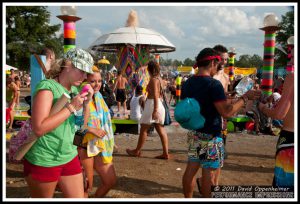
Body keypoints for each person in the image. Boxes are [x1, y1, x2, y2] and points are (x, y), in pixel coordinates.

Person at [181, 47, 261, 198]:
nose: (217, 69)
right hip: (211, 135)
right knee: (208, 176)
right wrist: (245, 98)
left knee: (190, 171)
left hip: (195, 133)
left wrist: (225, 96)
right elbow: (226, 112)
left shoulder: (188, 83)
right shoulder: (213, 84)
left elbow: (196, 103)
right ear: (212, 62)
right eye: (217, 65)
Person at [23, 48, 94, 198]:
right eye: (81, 70)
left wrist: (87, 104)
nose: (84, 76)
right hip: (45, 158)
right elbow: (39, 128)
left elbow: (82, 127)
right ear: (67, 65)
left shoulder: (75, 90)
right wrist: (71, 107)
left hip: (69, 156)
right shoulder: (48, 88)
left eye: (86, 73)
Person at [77, 66, 116, 198]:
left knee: (110, 180)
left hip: (100, 144)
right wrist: (91, 129)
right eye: (93, 81)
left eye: (99, 81)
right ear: (85, 80)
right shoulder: (81, 97)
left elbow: (105, 122)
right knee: (86, 186)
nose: (97, 84)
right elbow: (74, 125)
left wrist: (109, 140)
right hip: (83, 145)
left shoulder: (99, 97)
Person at [258, 48, 294, 188]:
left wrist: (263, 108)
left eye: (291, 57)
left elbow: (280, 114)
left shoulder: (292, 76)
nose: (290, 61)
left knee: (284, 189)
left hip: (290, 140)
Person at [126, 60, 170, 160]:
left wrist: (155, 110)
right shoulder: (160, 79)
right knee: (160, 129)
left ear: (149, 69)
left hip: (152, 105)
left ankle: (137, 151)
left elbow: (154, 94)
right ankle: (165, 153)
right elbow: (160, 95)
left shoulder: (153, 80)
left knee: (144, 129)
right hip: (159, 104)